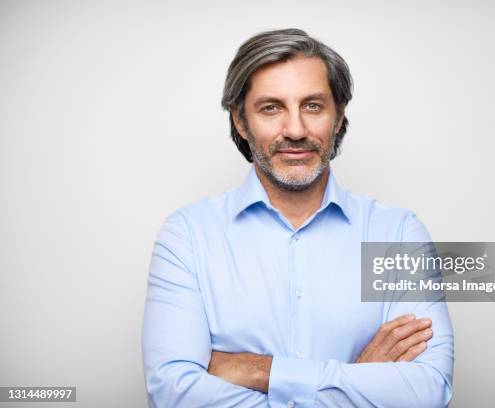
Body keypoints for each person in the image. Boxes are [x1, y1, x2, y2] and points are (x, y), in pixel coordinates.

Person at [142, 28, 454, 408]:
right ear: (240, 121)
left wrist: (262, 371)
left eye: (312, 106)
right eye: (271, 108)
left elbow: (427, 393)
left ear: (338, 117)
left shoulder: (397, 233)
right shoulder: (188, 235)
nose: (295, 130)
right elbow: (175, 395)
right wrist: (357, 377)